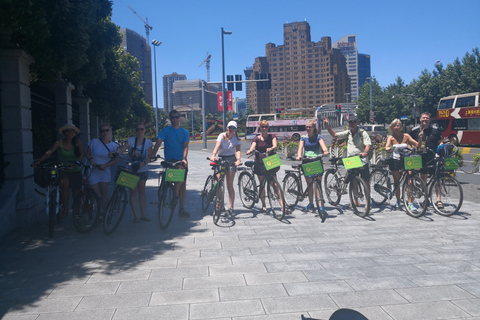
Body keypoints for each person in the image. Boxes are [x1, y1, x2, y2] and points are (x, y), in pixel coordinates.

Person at [33, 123, 85, 218]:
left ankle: (77, 212)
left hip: (75, 170)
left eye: (72, 131)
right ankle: (65, 209)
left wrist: (77, 162)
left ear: (75, 133)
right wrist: (39, 161)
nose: (70, 133)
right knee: (64, 185)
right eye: (68, 131)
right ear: (64, 133)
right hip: (64, 169)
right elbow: (49, 153)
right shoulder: (59, 143)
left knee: (76, 193)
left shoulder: (78, 142)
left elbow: (82, 154)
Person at [324, 115, 371, 207]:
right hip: (351, 159)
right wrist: (327, 126)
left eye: (354, 121)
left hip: (361, 159)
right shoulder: (348, 133)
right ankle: (355, 200)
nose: (352, 123)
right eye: (350, 122)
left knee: (365, 181)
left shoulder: (362, 133)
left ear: (357, 123)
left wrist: (365, 152)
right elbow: (334, 135)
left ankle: (367, 201)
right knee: (354, 180)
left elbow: (368, 144)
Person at [152, 110, 190, 218]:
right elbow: (159, 142)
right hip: (169, 160)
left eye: (177, 117)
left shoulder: (184, 132)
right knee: (176, 178)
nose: (175, 119)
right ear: (170, 119)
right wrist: (153, 154)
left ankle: (180, 206)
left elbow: (185, 146)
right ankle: (172, 195)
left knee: (182, 183)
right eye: (173, 117)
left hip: (180, 159)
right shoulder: (166, 130)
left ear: (179, 118)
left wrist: (184, 159)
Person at [117, 122, 153, 222]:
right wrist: (116, 153)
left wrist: (144, 162)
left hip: (142, 169)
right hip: (130, 169)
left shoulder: (148, 143)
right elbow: (122, 149)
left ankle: (143, 215)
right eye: (138, 129)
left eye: (142, 129)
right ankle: (136, 216)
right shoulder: (131, 140)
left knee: (141, 192)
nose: (140, 131)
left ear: (145, 130)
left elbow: (150, 157)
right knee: (132, 192)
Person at [410, 112, 443, 207]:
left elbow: (440, 142)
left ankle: (439, 200)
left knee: (437, 178)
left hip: (432, 156)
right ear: (420, 119)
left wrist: (441, 147)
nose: (425, 119)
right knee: (423, 179)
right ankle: (426, 199)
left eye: (427, 118)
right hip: (420, 157)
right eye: (423, 118)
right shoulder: (414, 130)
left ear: (430, 119)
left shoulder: (436, 130)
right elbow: (410, 142)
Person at [384, 119, 419, 210]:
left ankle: (410, 202)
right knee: (396, 182)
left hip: (406, 159)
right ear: (392, 128)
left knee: (409, 181)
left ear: (401, 127)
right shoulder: (391, 138)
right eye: (394, 126)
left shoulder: (406, 136)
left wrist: (420, 139)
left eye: (398, 125)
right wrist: (388, 148)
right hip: (395, 160)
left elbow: (417, 144)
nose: (396, 127)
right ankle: (398, 200)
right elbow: (387, 146)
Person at [296, 119, 329, 212]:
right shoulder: (303, 137)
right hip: (307, 161)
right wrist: (299, 156)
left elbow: (323, 146)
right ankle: (311, 203)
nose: (307, 128)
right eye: (306, 127)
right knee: (309, 184)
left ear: (314, 128)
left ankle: (320, 204)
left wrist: (325, 151)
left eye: (309, 127)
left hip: (317, 161)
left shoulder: (318, 137)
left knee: (318, 183)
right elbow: (300, 148)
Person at [210, 121, 242, 215]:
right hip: (221, 158)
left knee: (229, 184)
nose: (231, 130)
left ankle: (231, 207)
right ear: (227, 127)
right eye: (230, 127)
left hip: (231, 158)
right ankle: (221, 205)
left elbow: (238, 150)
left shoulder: (237, 138)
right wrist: (213, 155)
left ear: (235, 129)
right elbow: (217, 146)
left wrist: (238, 160)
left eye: (233, 128)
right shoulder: (222, 135)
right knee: (218, 183)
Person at [85, 124, 119, 212]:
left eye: (107, 130)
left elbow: (116, 160)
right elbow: (87, 153)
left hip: (105, 170)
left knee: (104, 193)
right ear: (100, 132)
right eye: (102, 131)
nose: (105, 132)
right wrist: (91, 160)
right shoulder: (94, 142)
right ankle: (97, 213)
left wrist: (106, 165)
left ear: (110, 131)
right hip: (93, 170)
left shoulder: (114, 146)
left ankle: (105, 213)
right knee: (95, 194)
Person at [246, 120, 277, 212]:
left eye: (266, 127)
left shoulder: (272, 136)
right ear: (260, 128)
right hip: (259, 162)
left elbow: (275, 145)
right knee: (262, 183)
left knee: (274, 183)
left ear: (268, 128)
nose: (264, 128)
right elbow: (253, 146)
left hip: (270, 161)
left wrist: (271, 148)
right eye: (262, 127)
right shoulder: (256, 138)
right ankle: (264, 205)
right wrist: (250, 150)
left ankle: (282, 205)